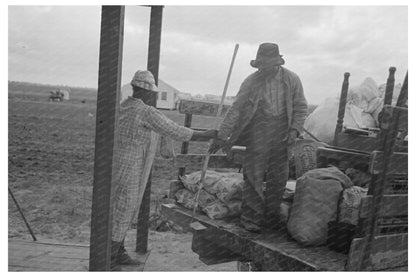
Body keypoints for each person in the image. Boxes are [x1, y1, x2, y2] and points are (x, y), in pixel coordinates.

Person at [111, 70, 217, 268]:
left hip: (119, 163)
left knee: (120, 206)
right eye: (153, 93)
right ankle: (110, 255)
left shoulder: (124, 106)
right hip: (132, 164)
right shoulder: (145, 111)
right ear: (145, 91)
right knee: (125, 206)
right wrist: (207, 134)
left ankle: (118, 250)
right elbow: (174, 130)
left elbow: (163, 130)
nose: (154, 97)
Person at [209, 43, 308, 232]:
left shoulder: (292, 79)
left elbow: (300, 107)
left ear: (277, 63)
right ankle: (251, 217)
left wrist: (294, 130)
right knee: (253, 174)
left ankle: (271, 217)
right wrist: (222, 136)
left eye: (267, 65)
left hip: (283, 130)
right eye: (260, 66)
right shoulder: (251, 81)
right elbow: (236, 109)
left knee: (279, 177)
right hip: (259, 129)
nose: (263, 69)